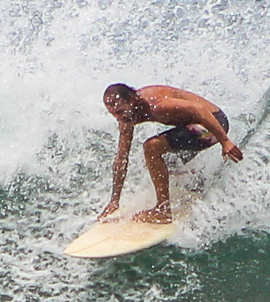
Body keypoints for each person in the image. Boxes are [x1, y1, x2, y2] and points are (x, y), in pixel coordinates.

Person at [98, 83, 243, 224]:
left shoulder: (156, 104)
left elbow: (199, 109)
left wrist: (225, 141)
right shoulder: (127, 118)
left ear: (133, 100)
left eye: (120, 111)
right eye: (114, 114)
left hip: (214, 124)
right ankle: (196, 183)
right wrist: (114, 200)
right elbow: (121, 159)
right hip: (195, 128)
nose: (119, 118)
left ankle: (163, 211)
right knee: (156, 162)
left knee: (151, 147)